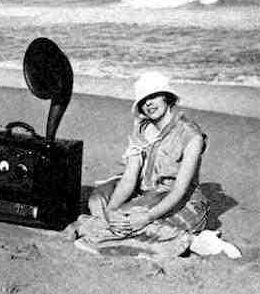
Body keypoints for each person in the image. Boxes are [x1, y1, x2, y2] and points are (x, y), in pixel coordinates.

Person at [74, 71, 218, 257]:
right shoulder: (141, 128)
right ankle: (112, 227)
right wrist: (110, 212)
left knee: (127, 219)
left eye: (153, 96)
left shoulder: (191, 135)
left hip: (176, 198)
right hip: (145, 191)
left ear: (167, 98)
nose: (148, 103)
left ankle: (189, 241)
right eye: (143, 100)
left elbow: (179, 190)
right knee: (97, 201)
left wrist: (146, 217)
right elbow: (129, 177)